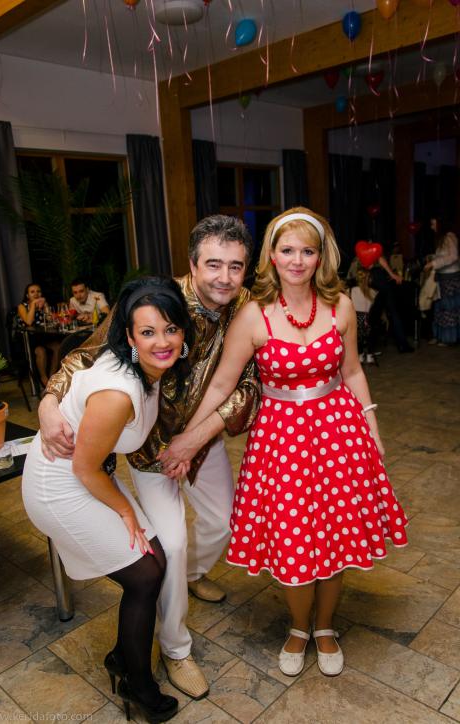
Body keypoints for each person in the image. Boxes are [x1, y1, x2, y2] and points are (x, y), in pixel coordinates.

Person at [161, 207, 408, 678]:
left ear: (320, 257)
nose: (297, 260)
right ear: (271, 256)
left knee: (336, 535)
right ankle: (298, 627)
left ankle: (325, 627)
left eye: (307, 251)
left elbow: (353, 371)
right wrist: (189, 433)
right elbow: (223, 384)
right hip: (281, 442)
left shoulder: (340, 307)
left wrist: (371, 426)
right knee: (294, 537)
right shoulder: (253, 314)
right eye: (287, 250)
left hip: (339, 434)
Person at [37, 215, 259, 700]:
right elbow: (83, 355)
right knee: (171, 545)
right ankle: (176, 649)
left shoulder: (248, 309)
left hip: (202, 439)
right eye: (214, 264)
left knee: (223, 522)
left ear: (247, 269)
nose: (224, 277)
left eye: (236, 266)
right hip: (147, 448)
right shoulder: (154, 301)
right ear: (192, 263)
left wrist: (194, 440)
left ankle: (192, 576)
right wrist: (48, 402)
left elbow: (249, 386)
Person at [22, 276, 193, 723]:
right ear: (130, 337)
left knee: (156, 559)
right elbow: (83, 468)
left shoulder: (147, 369)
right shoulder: (118, 392)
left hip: (88, 475)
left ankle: (123, 656)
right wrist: (124, 509)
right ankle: (137, 684)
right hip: (60, 486)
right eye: (148, 332)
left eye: (171, 329)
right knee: (144, 576)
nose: (162, 342)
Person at [424, 218, 460, 346]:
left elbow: (453, 256)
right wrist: (432, 259)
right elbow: (443, 256)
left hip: (450, 278)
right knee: (439, 307)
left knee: (449, 308)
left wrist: (433, 263)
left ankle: (449, 338)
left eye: (433, 224)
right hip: (441, 277)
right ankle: (439, 336)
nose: (432, 226)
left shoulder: (450, 237)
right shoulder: (442, 238)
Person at [17, 282, 61, 387]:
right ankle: (44, 378)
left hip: (42, 336)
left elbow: (51, 320)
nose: (36, 294)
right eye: (32, 292)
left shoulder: (43, 304)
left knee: (58, 347)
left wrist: (45, 306)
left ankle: (51, 377)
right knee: (41, 351)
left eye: (38, 291)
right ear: (27, 295)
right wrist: (33, 305)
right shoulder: (22, 306)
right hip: (28, 338)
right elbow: (29, 321)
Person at [349, 268, 377, 364]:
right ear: (369, 279)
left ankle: (360, 355)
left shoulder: (351, 290)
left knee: (357, 337)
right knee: (370, 335)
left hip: (356, 320)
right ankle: (369, 355)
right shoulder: (373, 292)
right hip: (368, 320)